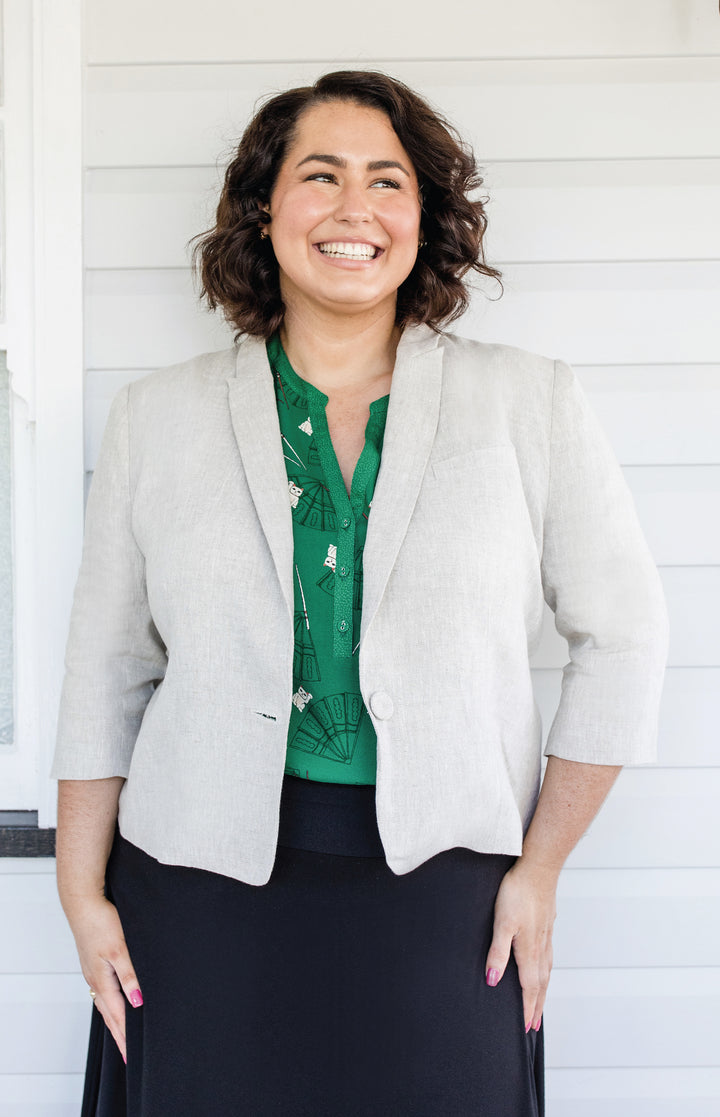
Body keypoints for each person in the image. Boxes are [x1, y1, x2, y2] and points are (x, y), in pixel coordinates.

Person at [52, 70, 669, 1117]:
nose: (353, 209)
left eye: (387, 182)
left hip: (449, 892)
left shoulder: (529, 402)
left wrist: (543, 864)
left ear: (423, 220)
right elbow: (109, 668)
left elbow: (626, 634)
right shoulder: (157, 419)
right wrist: (80, 891)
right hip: (196, 892)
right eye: (319, 176)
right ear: (265, 208)